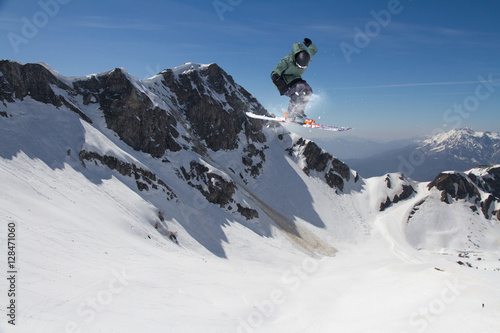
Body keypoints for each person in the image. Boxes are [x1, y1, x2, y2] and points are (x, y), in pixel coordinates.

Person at [271, 38, 318, 123]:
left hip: (296, 78)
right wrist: (278, 80)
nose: (300, 68)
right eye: (299, 66)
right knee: (300, 90)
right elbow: (275, 72)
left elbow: (312, 50)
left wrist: (310, 45)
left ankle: (299, 113)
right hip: (284, 81)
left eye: (303, 67)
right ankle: (291, 116)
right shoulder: (286, 61)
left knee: (308, 90)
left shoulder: (307, 55)